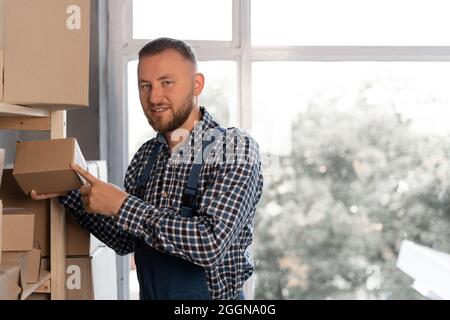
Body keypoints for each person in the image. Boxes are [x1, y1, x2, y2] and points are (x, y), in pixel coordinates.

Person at [31, 37, 264, 300]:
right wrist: (69, 192)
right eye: (145, 86)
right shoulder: (146, 157)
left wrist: (122, 205)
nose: (153, 97)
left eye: (166, 82)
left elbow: (209, 244)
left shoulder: (234, 148)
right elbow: (125, 240)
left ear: (196, 84)